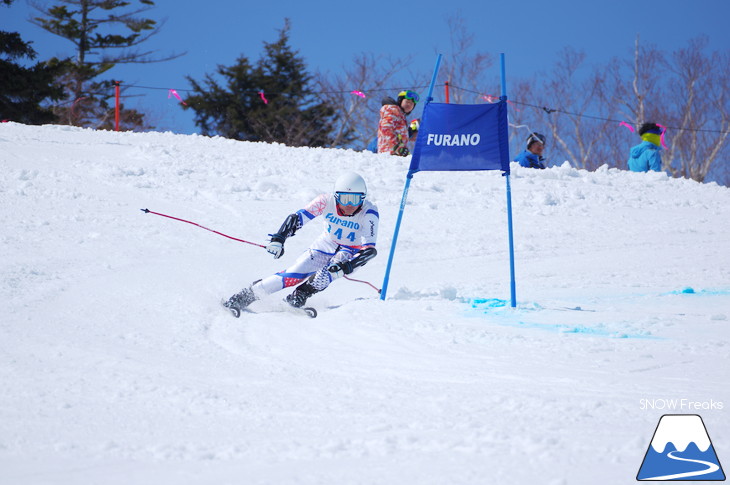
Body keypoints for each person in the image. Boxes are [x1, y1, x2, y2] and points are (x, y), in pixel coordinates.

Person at [224, 172, 379, 316]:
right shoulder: (325, 201)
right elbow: (298, 218)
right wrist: (279, 238)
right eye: (345, 199)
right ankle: (246, 295)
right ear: (336, 196)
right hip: (326, 244)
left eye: (355, 199)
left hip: (350, 251)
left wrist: (347, 266)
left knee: (327, 274)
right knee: (294, 273)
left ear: (363, 198)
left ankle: (300, 295)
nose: (350, 205)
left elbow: (369, 250)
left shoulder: (369, 213)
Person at [377, 90, 419, 156]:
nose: (409, 104)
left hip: (395, 154)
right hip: (388, 153)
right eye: (407, 101)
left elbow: (398, 134)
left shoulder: (401, 117)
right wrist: (396, 147)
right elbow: (386, 128)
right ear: (400, 101)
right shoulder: (393, 109)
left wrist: (410, 134)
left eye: (412, 104)